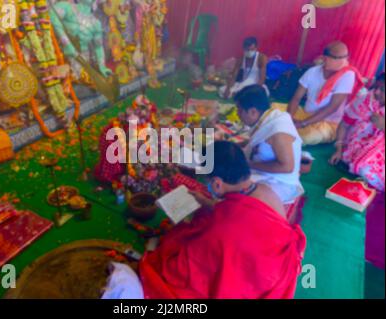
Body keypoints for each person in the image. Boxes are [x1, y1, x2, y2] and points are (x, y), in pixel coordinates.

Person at [102, 141, 306, 299]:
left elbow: (191, 267)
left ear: (217, 184)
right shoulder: (264, 189)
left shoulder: (224, 230)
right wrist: (206, 202)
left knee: (172, 254)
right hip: (277, 268)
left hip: (259, 280)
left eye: (207, 182)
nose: (206, 186)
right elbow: (237, 211)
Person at [280, 41, 364, 145]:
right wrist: (289, 118)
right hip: (305, 114)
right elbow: (296, 98)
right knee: (273, 111)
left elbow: (332, 107)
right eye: (339, 58)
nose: (344, 62)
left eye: (345, 57)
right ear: (325, 58)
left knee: (305, 137)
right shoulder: (312, 71)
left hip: (328, 123)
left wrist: (303, 123)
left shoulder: (348, 75)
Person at [235, 85, 303, 204]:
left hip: (279, 183)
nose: (238, 114)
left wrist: (250, 164)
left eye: (240, 110)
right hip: (261, 173)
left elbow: (287, 167)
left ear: (253, 111)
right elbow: (259, 142)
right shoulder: (269, 117)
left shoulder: (278, 130)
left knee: (236, 195)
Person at [329, 73, 385, 191]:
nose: (377, 93)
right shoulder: (365, 100)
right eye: (377, 88)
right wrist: (338, 149)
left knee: (367, 170)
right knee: (359, 166)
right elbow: (344, 124)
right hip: (357, 148)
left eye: (383, 90)